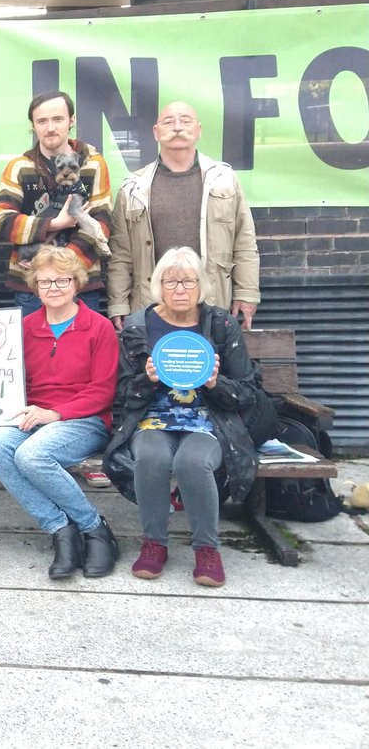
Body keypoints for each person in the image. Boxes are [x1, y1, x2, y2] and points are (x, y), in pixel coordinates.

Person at [104, 246, 265, 588]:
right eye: (171, 281)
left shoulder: (220, 324)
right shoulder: (139, 326)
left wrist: (214, 382)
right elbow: (123, 393)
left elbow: (248, 392)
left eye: (188, 281)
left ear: (201, 285)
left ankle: (207, 548)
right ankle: (154, 543)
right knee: (150, 455)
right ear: (158, 285)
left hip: (210, 418)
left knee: (192, 462)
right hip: (153, 418)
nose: (180, 289)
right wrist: (146, 380)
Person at [0, 246, 119, 580]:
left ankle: (94, 528)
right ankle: (60, 529)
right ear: (35, 287)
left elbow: (103, 391)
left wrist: (56, 413)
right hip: (33, 415)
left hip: (84, 419)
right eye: (45, 282)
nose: (53, 288)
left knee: (32, 454)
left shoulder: (99, 327)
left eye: (61, 281)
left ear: (77, 284)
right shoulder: (23, 327)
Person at [107, 101, 260, 331]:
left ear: (198, 130)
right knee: (152, 367)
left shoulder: (225, 180)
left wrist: (247, 293)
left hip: (211, 302)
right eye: (168, 122)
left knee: (213, 365)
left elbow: (244, 242)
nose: (177, 127)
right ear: (156, 133)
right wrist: (118, 303)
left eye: (185, 121)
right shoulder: (133, 188)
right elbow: (121, 253)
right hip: (152, 306)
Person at [0, 91, 112, 317]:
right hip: (31, 286)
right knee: (31, 352)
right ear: (33, 125)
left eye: (58, 119)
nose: (50, 128)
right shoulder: (19, 167)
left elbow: (102, 224)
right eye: (42, 121)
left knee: (83, 351)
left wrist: (61, 267)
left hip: (80, 285)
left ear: (71, 120)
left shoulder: (94, 165)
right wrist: (55, 223)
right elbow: (1, 220)